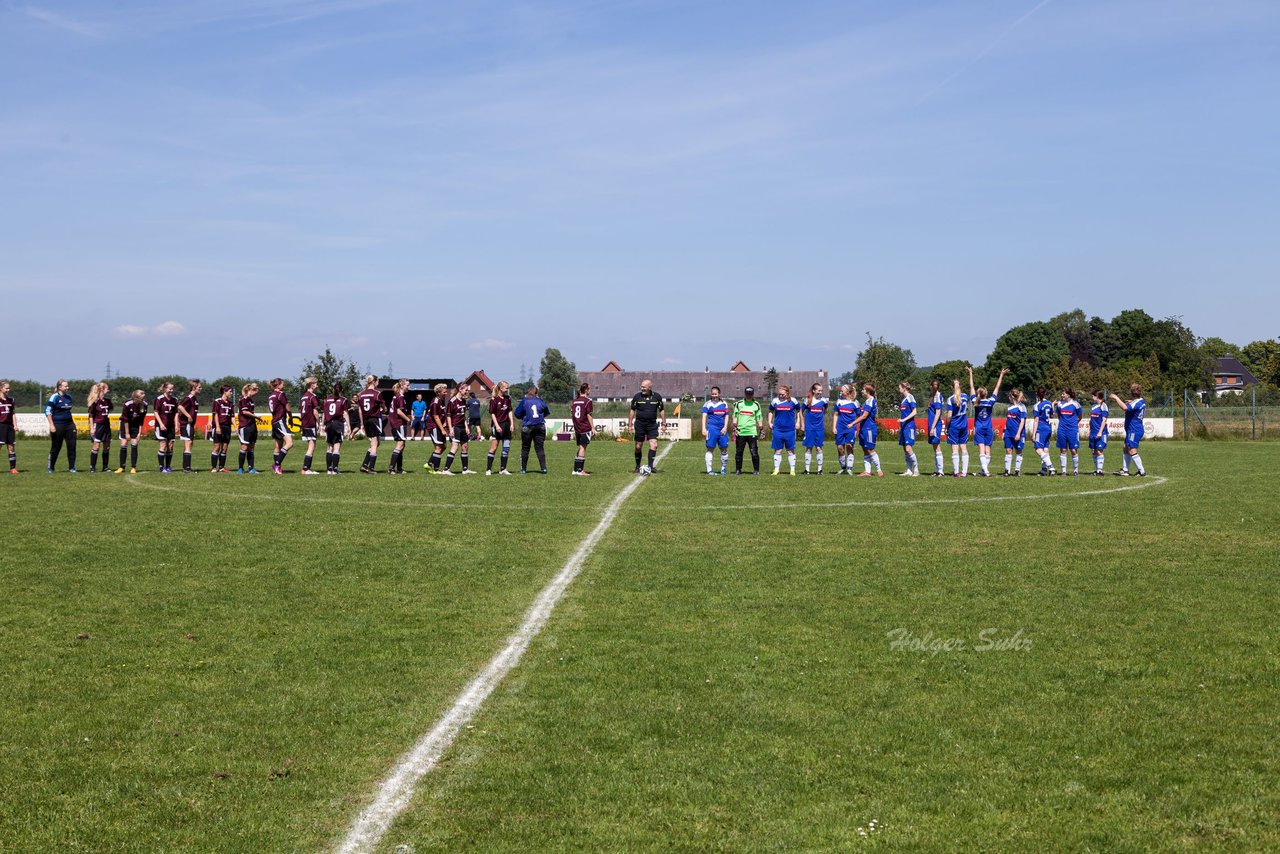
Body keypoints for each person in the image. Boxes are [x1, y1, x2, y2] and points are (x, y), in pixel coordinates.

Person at [970, 366, 1007, 477]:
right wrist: (1001, 375)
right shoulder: (990, 402)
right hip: (989, 428)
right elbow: (997, 388)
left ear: (978, 394)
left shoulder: (976, 402)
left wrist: (970, 374)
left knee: (981, 450)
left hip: (979, 428)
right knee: (987, 450)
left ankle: (985, 471)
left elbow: (971, 387)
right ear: (986, 393)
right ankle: (984, 470)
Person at [1109, 384, 1148, 476]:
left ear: (1131, 393)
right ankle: (1125, 470)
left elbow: (1125, 408)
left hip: (1134, 430)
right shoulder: (1141, 401)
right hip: (1134, 429)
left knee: (1132, 450)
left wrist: (1116, 398)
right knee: (1125, 447)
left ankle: (1141, 471)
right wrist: (1131, 401)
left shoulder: (1135, 403)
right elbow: (1135, 405)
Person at [627, 379, 664, 473]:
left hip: (652, 424)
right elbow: (632, 411)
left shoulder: (657, 397)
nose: (642, 388)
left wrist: (664, 423)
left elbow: (662, 410)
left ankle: (651, 467)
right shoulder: (637, 397)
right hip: (640, 424)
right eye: (641, 386)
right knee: (638, 446)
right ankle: (637, 466)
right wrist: (629, 425)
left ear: (649, 387)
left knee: (654, 445)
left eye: (644, 387)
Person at [514, 384, 550, 474]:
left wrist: (524, 417)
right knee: (540, 448)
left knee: (525, 448)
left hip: (528, 426)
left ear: (527, 392)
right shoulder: (540, 401)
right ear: (536, 393)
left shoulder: (524, 401)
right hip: (540, 426)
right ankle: (544, 468)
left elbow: (517, 413)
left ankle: (523, 469)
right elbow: (546, 412)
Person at [45, 380, 77, 473]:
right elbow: (47, 411)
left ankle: (72, 468)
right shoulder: (54, 397)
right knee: (56, 447)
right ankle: (50, 468)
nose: (68, 388)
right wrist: (51, 425)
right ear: (60, 387)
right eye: (65, 386)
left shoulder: (69, 397)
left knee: (72, 446)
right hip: (57, 425)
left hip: (69, 425)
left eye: (68, 386)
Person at [730, 386, 763, 475]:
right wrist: (734, 427)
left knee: (754, 451)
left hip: (752, 431)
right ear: (745, 394)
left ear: (753, 394)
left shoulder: (756, 404)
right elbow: (735, 416)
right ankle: (738, 470)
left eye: (750, 394)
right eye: (747, 394)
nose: (749, 396)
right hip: (741, 432)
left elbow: (759, 417)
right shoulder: (739, 404)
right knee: (739, 451)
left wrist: (761, 428)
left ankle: (756, 470)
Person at [355, 375, 384, 474]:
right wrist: (384, 409)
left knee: (375, 443)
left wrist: (362, 423)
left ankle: (364, 465)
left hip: (366, 419)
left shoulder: (361, 394)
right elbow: (383, 406)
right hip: (374, 419)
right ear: (374, 382)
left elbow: (359, 410)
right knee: (375, 443)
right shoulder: (377, 393)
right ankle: (371, 468)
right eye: (378, 381)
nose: (378, 383)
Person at [768, 384, 799, 476]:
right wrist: (770, 422)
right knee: (778, 450)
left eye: (782, 394)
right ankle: (776, 470)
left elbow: (799, 411)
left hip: (790, 430)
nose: (780, 396)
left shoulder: (793, 401)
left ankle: (792, 470)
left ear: (787, 393)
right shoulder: (775, 401)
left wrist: (798, 422)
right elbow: (770, 411)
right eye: (779, 394)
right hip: (778, 429)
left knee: (790, 450)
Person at [486, 380, 515, 475]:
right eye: (506, 387)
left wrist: (512, 423)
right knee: (494, 448)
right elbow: (493, 414)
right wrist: (497, 425)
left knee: (506, 448)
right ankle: (488, 469)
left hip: (507, 425)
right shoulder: (494, 400)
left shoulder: (508, 398)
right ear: (501, 388)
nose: (508, 389)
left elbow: (510, 411)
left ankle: (503, 469)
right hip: (498, 425)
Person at [116, 389, 147, 473]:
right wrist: (127, 433)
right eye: (142, 395)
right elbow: (125, 419)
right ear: (136, 396)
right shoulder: (127, 404)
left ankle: (133, 467)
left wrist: (139, 433)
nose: (144, 396)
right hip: (125, 425)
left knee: (134, 444)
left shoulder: (144, 405)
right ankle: (121, 467)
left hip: (135, 426)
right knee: (123, 444)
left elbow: (141, 420)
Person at [832, 385, 861, 475]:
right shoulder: (839, 401)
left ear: (848, 392)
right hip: (840, 428)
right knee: (840, 448)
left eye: (842, 391)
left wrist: (855, 426)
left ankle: (849, 468)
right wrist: (834, 427)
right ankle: (843, 468)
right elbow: (836, 414)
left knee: (849, 446)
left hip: (850, 428)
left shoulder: (855, 403)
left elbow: (859, 416)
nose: (841, 392)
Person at [446, 384, 475, 474]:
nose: (467, 392)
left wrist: (466, 427)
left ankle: (465, 469)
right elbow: (448, 416)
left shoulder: (463, 401)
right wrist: (450, 428)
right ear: (460, 389)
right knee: (455, 447)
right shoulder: (452, 401)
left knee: (465, 447)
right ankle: (446, 469)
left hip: (462, 427)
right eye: (466, 390)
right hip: (455, 427)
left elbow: (463, 416)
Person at [855, 382, 882, 477]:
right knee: (865, 450)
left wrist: (852, 424)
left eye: (863, 389)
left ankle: (879, 471)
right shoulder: (866, 401)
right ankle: (867, 471)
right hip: (864, 429)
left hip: (869, 429)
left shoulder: (871, 400)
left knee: (870, 449)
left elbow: (864, 416)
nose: (861, 391)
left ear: (868, 391)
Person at [266, 378, 293, 475]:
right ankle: (277, 464)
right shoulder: (280, 394)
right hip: (279, 421)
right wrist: (291, 417)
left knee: (278, 446)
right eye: (282, 384)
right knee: (289, 443)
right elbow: (287, 407)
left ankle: (278, 469)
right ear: (278, 385)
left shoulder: (270, 396)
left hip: (274, 421)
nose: (284, 385)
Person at [701, 386, 729, 475]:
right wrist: (703, 428)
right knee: (710, 448)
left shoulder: (724, 404)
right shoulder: (707, 404)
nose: (714, 396)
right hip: (712, 429)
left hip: (722, 429)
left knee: (724, 449)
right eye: (712, 394)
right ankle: (709, 470)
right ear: (711, 394)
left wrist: (725, 427)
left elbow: (727, 416)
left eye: (716, 394)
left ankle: (723, 468)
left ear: (719, 394)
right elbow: (704, 416)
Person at [1054, 387, 1083, 476]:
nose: (1062, 395)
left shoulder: (1076, 404)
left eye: (1063, 394)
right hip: (1062, 430)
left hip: (1072, 430)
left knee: (1073, 450)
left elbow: (1080, 416)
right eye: (1062, 394)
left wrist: (1074, 424)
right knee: (1063, 450)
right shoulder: (1059, 404)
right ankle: (1063, 471)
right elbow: (1058, 416)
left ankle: (1075, 470)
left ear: (1069, 395)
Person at [323, 383, 350, 474]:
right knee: (337, 446)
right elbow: (345, 413)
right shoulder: (343, 400)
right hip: (338, 424)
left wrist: (322, 425)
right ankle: (335, 469)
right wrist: (349, 426)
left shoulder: (327, 400)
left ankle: (328, 469)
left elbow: (324, 413)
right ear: (341, 390)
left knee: (329, 446)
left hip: (328, 424)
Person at [800, 383, 828, 474]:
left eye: (821, 390)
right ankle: (807, 470)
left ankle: (819, 470)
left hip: (819, 428)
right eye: (819, 390)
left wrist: (821, 418)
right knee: (809, 448)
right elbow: (800, 412)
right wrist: (802, 424)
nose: (820, 392)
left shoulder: (824, 401)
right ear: (814, 390)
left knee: (819, 448)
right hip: (809, 428)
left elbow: (825, 410)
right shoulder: (808, 400)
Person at [945, 378, 970, 477]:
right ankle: (964, 472)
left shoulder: (950, 399)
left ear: (951, 387)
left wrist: (946, 426)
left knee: (955, 449)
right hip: (963, 424)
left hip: (954, 426)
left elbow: (949, 415)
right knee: (963, 447)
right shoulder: (965, 396)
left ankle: (956, 472)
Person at [86, 382, 113, 473]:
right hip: (97, 425)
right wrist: (92, 428)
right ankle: (92, 467)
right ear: (102, 389)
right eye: (107, 388)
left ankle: (105, 467)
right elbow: (90, 415)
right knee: (96, 446)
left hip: (106, 425)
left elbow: (110, 409)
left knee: (107, 446)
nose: (108, 390)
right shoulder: (95, 401)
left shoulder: (107, 401)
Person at [387, 379, 412, 474]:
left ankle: (399, 468)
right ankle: (391, 468)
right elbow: (399, 411)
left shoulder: (396, 396)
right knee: (400, 445)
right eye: (407, 385)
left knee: (402, 445)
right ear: (402, 386)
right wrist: (408, 419)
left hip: (396, 423)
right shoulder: (400, 397)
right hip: (398, 423)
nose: (408, 387)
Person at [153, 381, 179, 474]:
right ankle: (161, 467)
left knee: (171, 445)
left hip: (171, 426)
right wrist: (161, 424)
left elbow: (176, 413)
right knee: (163, 445)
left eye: (172, 388)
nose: (171, 390)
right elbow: (156, 412)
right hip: (161, 425)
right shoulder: (159, 399)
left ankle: (168, 466)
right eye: (170, 388)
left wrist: (176, 424)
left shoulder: (175, 399)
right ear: (164, 389)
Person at [176, 379, 202, 473]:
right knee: (188, 443)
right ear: (194, 388)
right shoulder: (189, 397)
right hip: (186, 424)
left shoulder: (194, 398)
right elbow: (180, 407)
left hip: (190, 425)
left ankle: (186, 467)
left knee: (189, 444)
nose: (201, 388)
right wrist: (188, 416)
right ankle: (186, 468)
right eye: (199, 387)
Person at [298, 377, 321, 474]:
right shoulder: (312, 396)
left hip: (304, 422)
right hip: (310, 423)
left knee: (310, 445)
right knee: (312, 445)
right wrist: (319, 423)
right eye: (315, 383)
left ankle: (307, 468)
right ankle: (306, 469)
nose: (317, 385)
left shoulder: (303, 396)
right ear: (311, 384)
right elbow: (315, 411)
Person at [1032, 387, 1057, 476]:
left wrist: (1033, 434)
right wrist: (1053, 405)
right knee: (1045, 450)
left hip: (1041, 428)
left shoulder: (1037, 405)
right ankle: (1043, 470)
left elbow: (1036, 420)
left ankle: (1051, 468)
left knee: (1038, 449)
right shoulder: (1049, 403)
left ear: (1036, 394)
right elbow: (1052, 415)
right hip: (1048, 427)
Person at [570, 383, 594, 475]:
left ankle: (575, 469)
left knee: (581, 447)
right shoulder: (588, 401)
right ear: (586, 390)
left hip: (577, 427)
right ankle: (580, 470)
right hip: (585, 427)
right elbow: (589, 415)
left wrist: (575, 424)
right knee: (583, 448)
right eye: (589, 389)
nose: (590, 391)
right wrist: (593, 428)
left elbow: (572, 414)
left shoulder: (574, 401)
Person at [1002, 389, 1027, 476]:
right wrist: (1004, 431)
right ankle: (1007, 471)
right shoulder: (1009, 406)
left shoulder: (1022, 407)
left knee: (1018, 451)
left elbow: (1022, 421)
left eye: (1009, 396)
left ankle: (1017, 470)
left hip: (1018, 433)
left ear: (1012, 396)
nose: (1008, 398)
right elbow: (1008, 419)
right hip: (1008, 432)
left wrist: (1018, 433)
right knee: (1008, 450)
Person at [237, 382, 260, 474]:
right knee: (244, 446)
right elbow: (245, 412)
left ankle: (251, 468)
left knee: (251, 447)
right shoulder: (244, 399)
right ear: (252, 390)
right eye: (256, 392)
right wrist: (257, 417)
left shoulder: (250, 400)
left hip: (252, 425)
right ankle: (240, 468)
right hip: (245, 426)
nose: (256, 394)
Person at [210, 385, 234, 473]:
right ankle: (213, 467)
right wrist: (217, 427)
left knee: (224, 448)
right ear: (225, 391)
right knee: (217, 447)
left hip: (227, 427)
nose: (231, 393)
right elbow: (215, 414)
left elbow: (232, 416)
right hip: (219, 426)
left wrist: (235, 426)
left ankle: (221, 467)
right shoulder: (217, 402)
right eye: (230, 391)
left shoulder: (231, 403)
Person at [897, 381, 918, 477]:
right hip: (904, 427)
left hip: (909, 426)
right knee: (905, 449)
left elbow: (914, 412)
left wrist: (904, 419)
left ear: (904, 388)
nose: (899, 389)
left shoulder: (910, 397)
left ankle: (916, 470)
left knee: (909, 448)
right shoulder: (904, 399)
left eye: (900, 387)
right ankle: (909, 470)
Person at [926, 379, 946, 476]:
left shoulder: (937, 396)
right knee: (935, 447)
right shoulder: (933, 396)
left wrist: (933, 427)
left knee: (937, 447)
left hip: (935, 425)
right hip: (932, 425)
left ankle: (941, 471)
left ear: (931, 386)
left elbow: (938, 413)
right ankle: (937, 469)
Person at [1088, 390, 1109, 476]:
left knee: (1099, 451)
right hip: (1093, 432)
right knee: (1093, 451)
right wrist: (1089, 430)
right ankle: (1096, 470)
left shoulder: (1103, 406)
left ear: (1097, 397)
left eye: (1093, 396)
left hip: (1100, 432)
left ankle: (1099, 471)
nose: (1092, 398)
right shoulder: (1093, 406)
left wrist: (1100, 432)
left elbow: (1104, 420)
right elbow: (1091, 419)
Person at [0, 381, 16, 473]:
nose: (8, 390)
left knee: (11, 447)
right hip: (0, 425)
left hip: (9, 426)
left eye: (9, 388)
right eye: (6, 388)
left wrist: (15, 425)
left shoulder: (11, 400)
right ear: (1, 389)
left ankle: (13, 468)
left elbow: (13, 413)